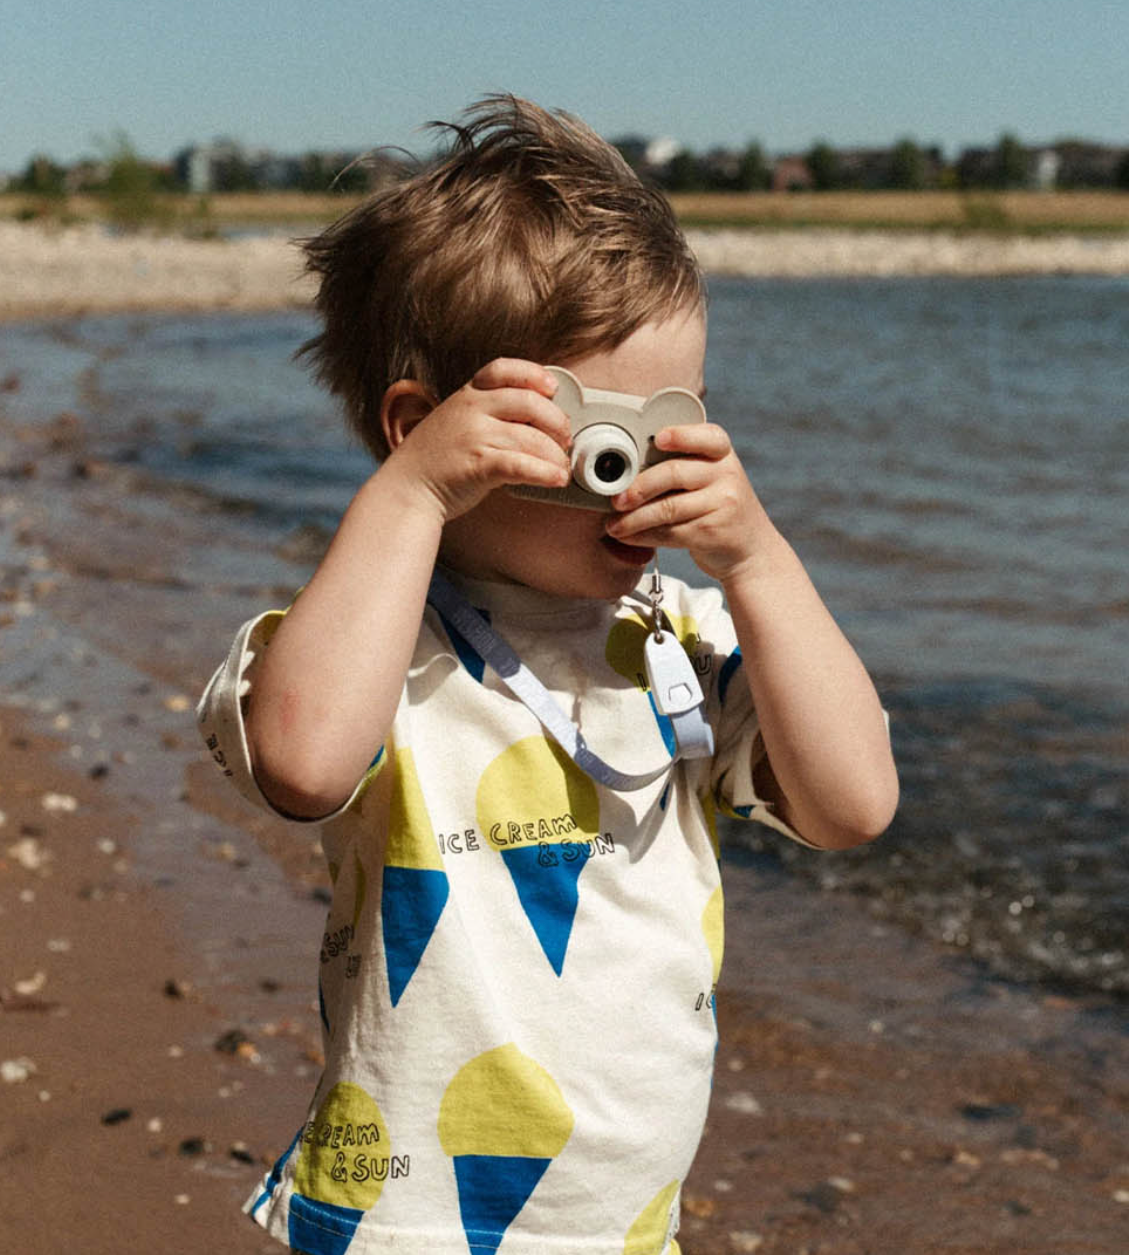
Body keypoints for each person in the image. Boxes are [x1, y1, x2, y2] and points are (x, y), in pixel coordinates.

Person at [198, 95, 898, 1255]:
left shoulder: (679, 638)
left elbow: (853, 802)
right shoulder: (376, 647)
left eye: (679, 431)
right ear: (428, 427)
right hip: (404, 1222)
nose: (640, 486)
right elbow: (305, 762)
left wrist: (759, 559)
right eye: (601, 445)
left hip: (625, 1224)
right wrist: (410, 493)